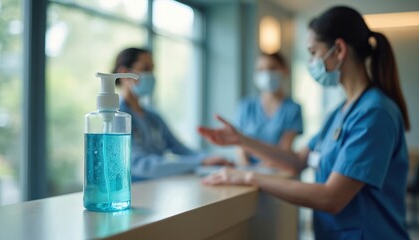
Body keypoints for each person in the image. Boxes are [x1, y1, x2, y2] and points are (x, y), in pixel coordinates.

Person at [198, 6, 411, 239]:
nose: (311, 62)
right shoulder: (340, 112)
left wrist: (249, 176)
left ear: (338, 49)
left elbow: (331, 198)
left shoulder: (374, 113)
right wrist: (242, 140)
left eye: (313, 52)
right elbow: (298, 161)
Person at [112, 47, 232, 181]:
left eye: (152, 69)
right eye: (145, 69)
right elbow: (140, 165)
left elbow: (179, 148)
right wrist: (200, 162)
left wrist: (209, 158)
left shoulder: (153, 117)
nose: (151, 75)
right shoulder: (115, 118)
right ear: (124, 73)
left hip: (156, 187)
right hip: (129, 191)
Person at [236, 52, 303, 170]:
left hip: (278, 173)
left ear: (285, 70)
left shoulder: (293, 109)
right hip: (247, 171)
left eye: (272, 68)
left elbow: (284, 151)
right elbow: (239, 146)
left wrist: (259, 172)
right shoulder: (246, 106)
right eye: (260, 70)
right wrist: (247, 169)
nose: (266, 74)